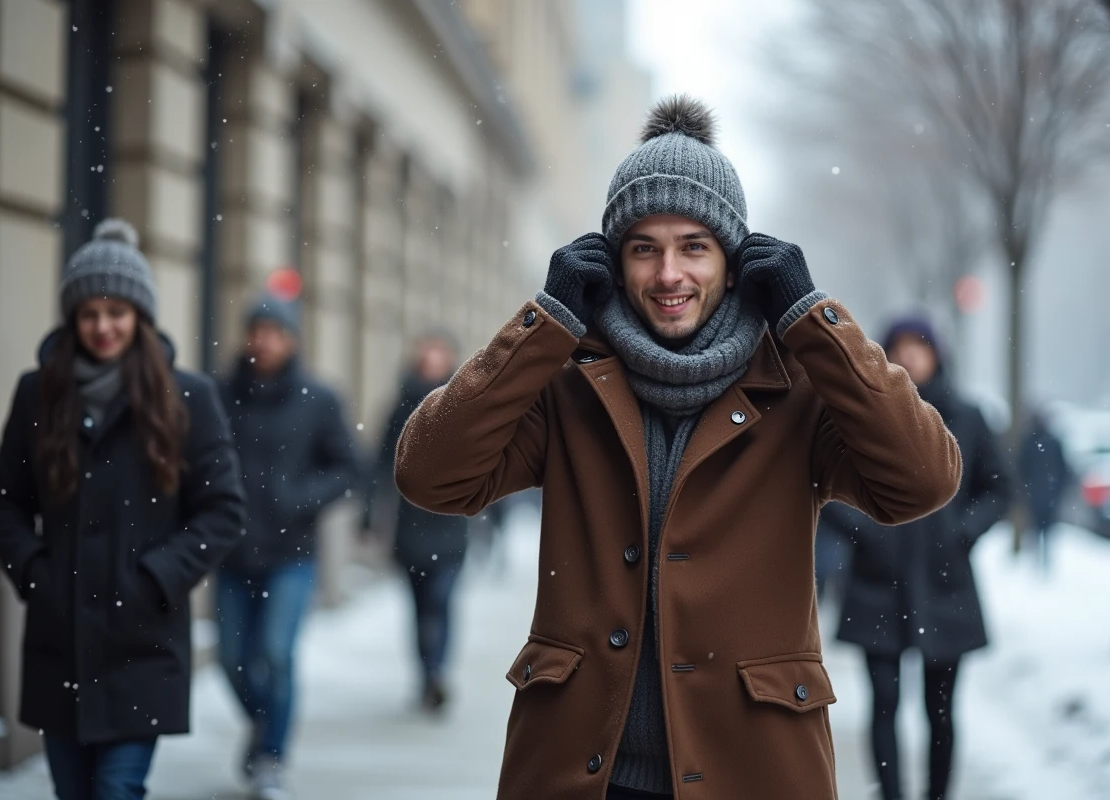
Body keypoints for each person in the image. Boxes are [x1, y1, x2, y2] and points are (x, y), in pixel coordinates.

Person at [393, 96, 962, 799]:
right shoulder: (568, 378)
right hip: (582, 775)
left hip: (752, 774)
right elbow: (430, 474)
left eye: (694, 246)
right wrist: (545, 322)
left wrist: (813, 317)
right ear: (615, 261)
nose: (669, 274)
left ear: (733, 260)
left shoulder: (797, 383)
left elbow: (923, 479)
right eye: (644, 248)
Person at [0, 219, 246, 800]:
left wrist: (155, 576)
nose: (103, 327)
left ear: (140, 317)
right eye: (89, 313)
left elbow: (223, 510)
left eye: (117, 312)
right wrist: (36, 574)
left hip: (141, 643)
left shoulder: (188, 398)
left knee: (117, 789)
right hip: (60, 643)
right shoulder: (38, 394)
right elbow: (5, 500)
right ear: (72, 319)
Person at [823, 315, 1011, 800]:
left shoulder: (968, 417)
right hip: (875, 585)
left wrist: (962, 532)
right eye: (900, 346)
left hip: (945, 586)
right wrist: (867, 532)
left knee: (941, 710)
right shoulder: (862, 415)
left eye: (919, 346)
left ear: (937, 354)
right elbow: (825, 486)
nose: (909, 355)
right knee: (884, 702)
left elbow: (999, 488)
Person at [216, 293, 361, 799]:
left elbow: (349, 467)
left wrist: (300, 497)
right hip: (232, 551)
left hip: (291, 554)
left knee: (276, 654)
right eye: (256, 330)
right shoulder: (221, 394)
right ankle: (264, 723)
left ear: (293, 339)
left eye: (275, 332)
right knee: (231, 660)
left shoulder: (318, 399)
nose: (264, 341)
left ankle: (272, 757)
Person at [366, 331, 468, 712]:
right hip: (411, 525)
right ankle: (427, 673)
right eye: (427, 355)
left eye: (439, 354)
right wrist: (368, 516)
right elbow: (381, 465)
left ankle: (437, 671)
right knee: (420, 605)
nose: (432, 361)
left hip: (451, 523)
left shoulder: (466, 404)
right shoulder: (401, 407)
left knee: (440, 601)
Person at [1020, 409, 1070, 573]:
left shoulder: (1033, 442)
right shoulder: (1045, 442)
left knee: (1041, 530)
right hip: (1045, 494)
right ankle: (1040, 561)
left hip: (1041, 493)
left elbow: (1021, 469)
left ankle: (1041, 561)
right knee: (1041, 530)